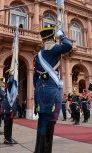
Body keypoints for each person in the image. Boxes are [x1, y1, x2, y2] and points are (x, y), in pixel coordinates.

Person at [33, 25, 72, 153]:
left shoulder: (37, 55)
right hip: (51, 90)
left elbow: (34, 78)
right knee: (51, 120)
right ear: (52, 38)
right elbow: (68, 46)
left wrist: (37, 97)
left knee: (42, 120)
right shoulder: (54, 48)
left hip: (39, 90)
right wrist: (62, 35)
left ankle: (38, 150)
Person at [3, 70, 17, 144]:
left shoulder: (8, 85)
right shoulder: (9, 83)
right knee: (8, 124)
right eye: (11, 75)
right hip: (9, 107)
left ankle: (8, 138)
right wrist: (11, 76)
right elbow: (11, 81)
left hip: (9, 107)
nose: (13, 76)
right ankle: (7, 138)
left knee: (8, 123)